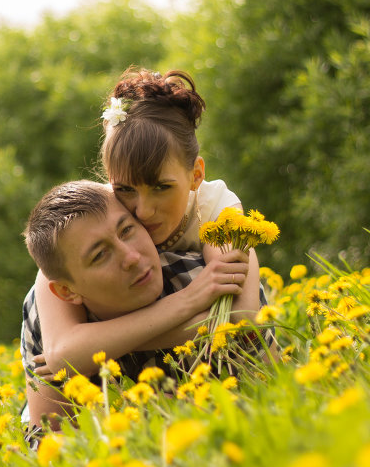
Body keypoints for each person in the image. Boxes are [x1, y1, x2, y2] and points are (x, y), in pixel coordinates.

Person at [31, 68, 262, 380]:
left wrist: (100, 345)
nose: (143, 211)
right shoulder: (95, 213)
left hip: (189, 367)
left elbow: (239, 319)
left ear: (195, 175)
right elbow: (60, 353)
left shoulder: (218, 210)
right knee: (40, 294)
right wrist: (188, 303)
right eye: (125, 189)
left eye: (161, 188)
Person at [21, 180, 252, 430]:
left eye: (127, 230)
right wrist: (186, 303)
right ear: (67, 291)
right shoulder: (46, 314)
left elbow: (263, 391)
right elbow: (48, 438)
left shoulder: (200, 276)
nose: (131, 257)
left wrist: (91, 351)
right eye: (100, 255)